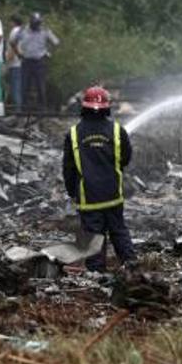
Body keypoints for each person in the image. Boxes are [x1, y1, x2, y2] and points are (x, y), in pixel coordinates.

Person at [62, 86, 135, 272]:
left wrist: (72, 191)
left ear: (84, 107)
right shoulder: (118, 131)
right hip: (113, 195)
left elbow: (68, 168)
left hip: (89, 197)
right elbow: (125, 158)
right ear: (106, 108)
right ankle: (132, 266)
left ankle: (97, 275)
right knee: (119, 231)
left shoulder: (73, 134)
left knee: (94, 237)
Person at [15, 12, 59, 111]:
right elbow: (13, 41)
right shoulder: (23, 30)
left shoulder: (45, 30)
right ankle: (24, 108)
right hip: (26, 60)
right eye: (35, 23)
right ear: (30, 22)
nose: (37, 25)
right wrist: (18, 53)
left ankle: (42, 108)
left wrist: (48, 53)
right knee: (24, 85)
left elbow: (55, 42)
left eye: (38, 23)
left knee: (40, 85)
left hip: (39, 61)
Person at [5, 15, 24, 111]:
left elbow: (13, 45)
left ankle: (17, 110)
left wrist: (8, 60)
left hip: (14, 63)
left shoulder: (14, 32)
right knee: (18, 87)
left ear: (13, 22)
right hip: (21, 63)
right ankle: (18, 109)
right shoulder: (23, 32)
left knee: (15, 88)